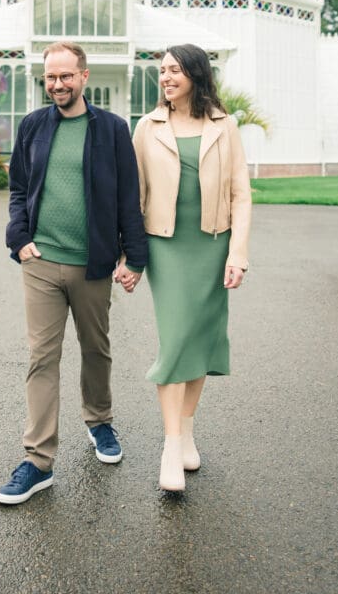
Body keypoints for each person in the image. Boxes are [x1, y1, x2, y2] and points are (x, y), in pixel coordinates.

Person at [0, 41, 148, 505]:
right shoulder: (33, 126)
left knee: (95, 348)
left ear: (84, 76)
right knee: (42, 357)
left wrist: (135, 258)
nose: (57, 84)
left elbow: (128, 196)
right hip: (40, 262)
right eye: (50, 77)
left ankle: (99, 422)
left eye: (65, 76)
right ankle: (38, 460)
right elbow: (20, 187)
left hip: (92, 263)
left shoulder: (113, 129)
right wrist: (19, 238)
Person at [132, 44, 251, 492]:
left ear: (196, 76)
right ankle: (169, 446)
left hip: (212, 245)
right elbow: (135, 196)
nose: (165, 77)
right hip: (166, 247)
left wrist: (237, 252)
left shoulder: (225, 125)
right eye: (162, 71)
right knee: (178, 338)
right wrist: (132, 255)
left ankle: (185, 432)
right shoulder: (146, 127)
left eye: (175, 70)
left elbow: (241, 193)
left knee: (201, 339)